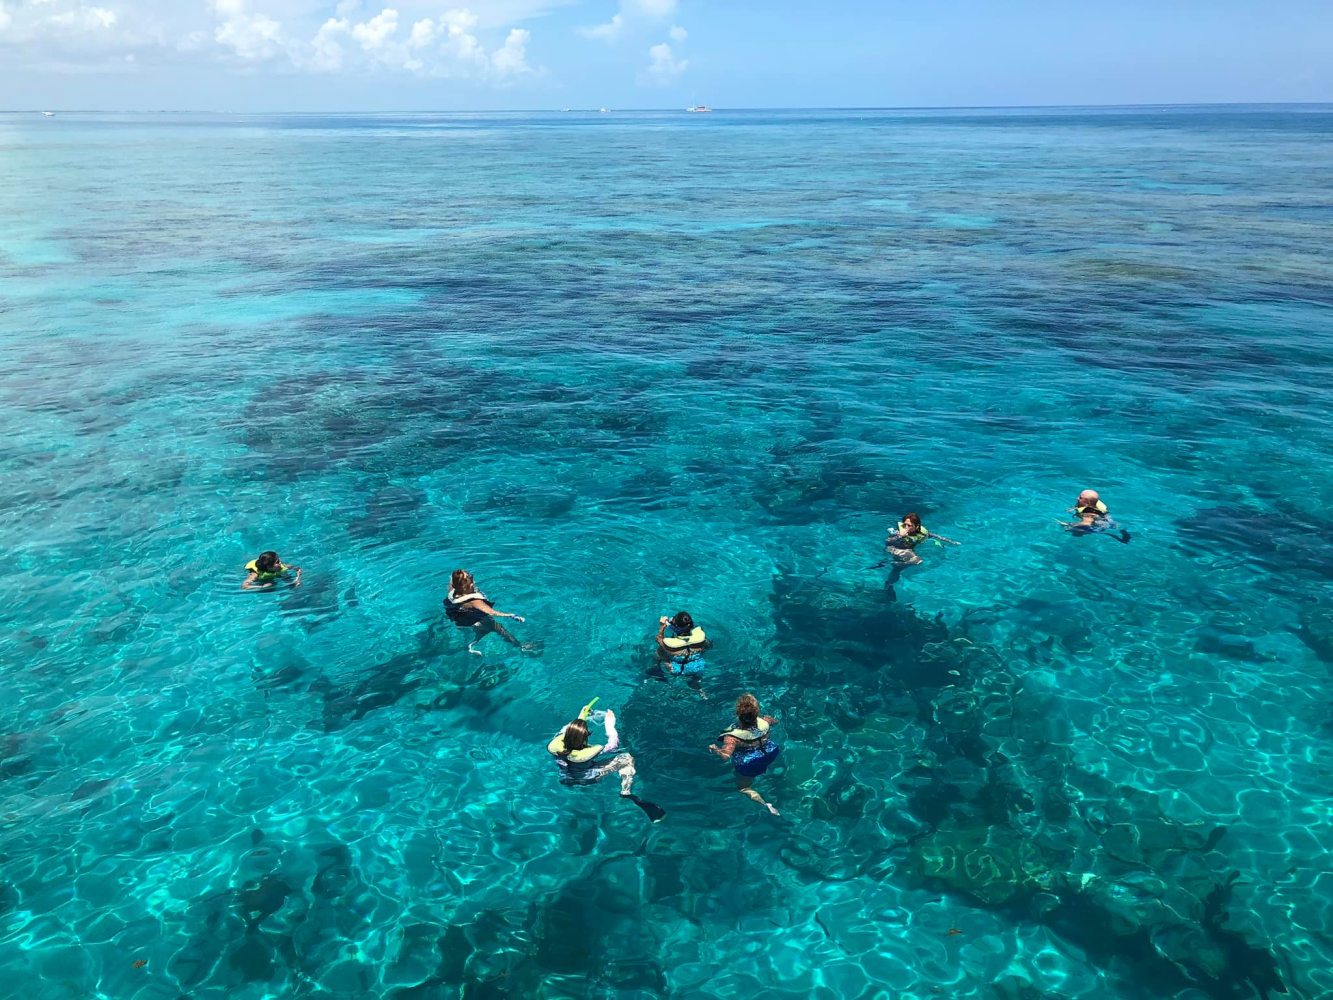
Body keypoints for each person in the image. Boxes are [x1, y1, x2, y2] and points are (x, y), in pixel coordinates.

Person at [548, 698, 665, 821]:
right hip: (589, 778)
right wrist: (610, 725)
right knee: (627, 758)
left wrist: (581, 716)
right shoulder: (587, 753)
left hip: (566, 778)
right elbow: (613, 745)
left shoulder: (556, 745)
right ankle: (626, 793)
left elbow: (567, 730)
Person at [709, 693, 782, 816]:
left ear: (737, 713)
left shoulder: (731, 737)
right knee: (764, 764)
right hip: (771, 752)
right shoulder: (766, 721)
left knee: (743, 788)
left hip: (749, 763)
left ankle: (766, 804)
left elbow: (725, 757)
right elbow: (776, 721)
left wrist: (715, 749)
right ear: (756, 712)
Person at [445, 569, 527, 655]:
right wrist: (511, 615)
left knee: (481, 630)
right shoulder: (475, 601)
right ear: (471, 582)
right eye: (470, 576)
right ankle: (520, 646)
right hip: (473, 619)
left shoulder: (452, 590)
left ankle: (471, 645)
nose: (472, 577)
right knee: (498, 627)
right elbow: (492, 612)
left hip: (459, 618)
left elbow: (454, 579)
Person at [883, 512, 959, 598]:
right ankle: (897, 565)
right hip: (895, 549)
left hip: (907, 550)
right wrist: (900, 536)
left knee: (898, 569)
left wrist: (952, 542)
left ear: (917, 526)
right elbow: (887, 542)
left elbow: (934, 535)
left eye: (909, 525)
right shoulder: (898, 532)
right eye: (905, 525)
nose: (906, 527)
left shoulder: (920, 532)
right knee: (917, 560)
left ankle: (889, 584)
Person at [651, 611, 710, 692]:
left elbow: (658, 639)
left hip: (676, 670)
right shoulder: (701, 639)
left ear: (675, 627)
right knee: (707, 644)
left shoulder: (669, 645)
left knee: (660, 651)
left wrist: (662, 626)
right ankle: (698, 688)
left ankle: (656, 669)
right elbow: (708, 646)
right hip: (698, 667)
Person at [1060, 490, 1131, 544]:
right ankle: (1124, 534)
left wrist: (1070, 524)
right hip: (1110, 522)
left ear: (1087, 503)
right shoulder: (1094, 503)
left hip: (1099, 526)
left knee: (1075, 532)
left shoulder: (1087, 512)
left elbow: (1086, 523)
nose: (1077, 498)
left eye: (1080, 497)